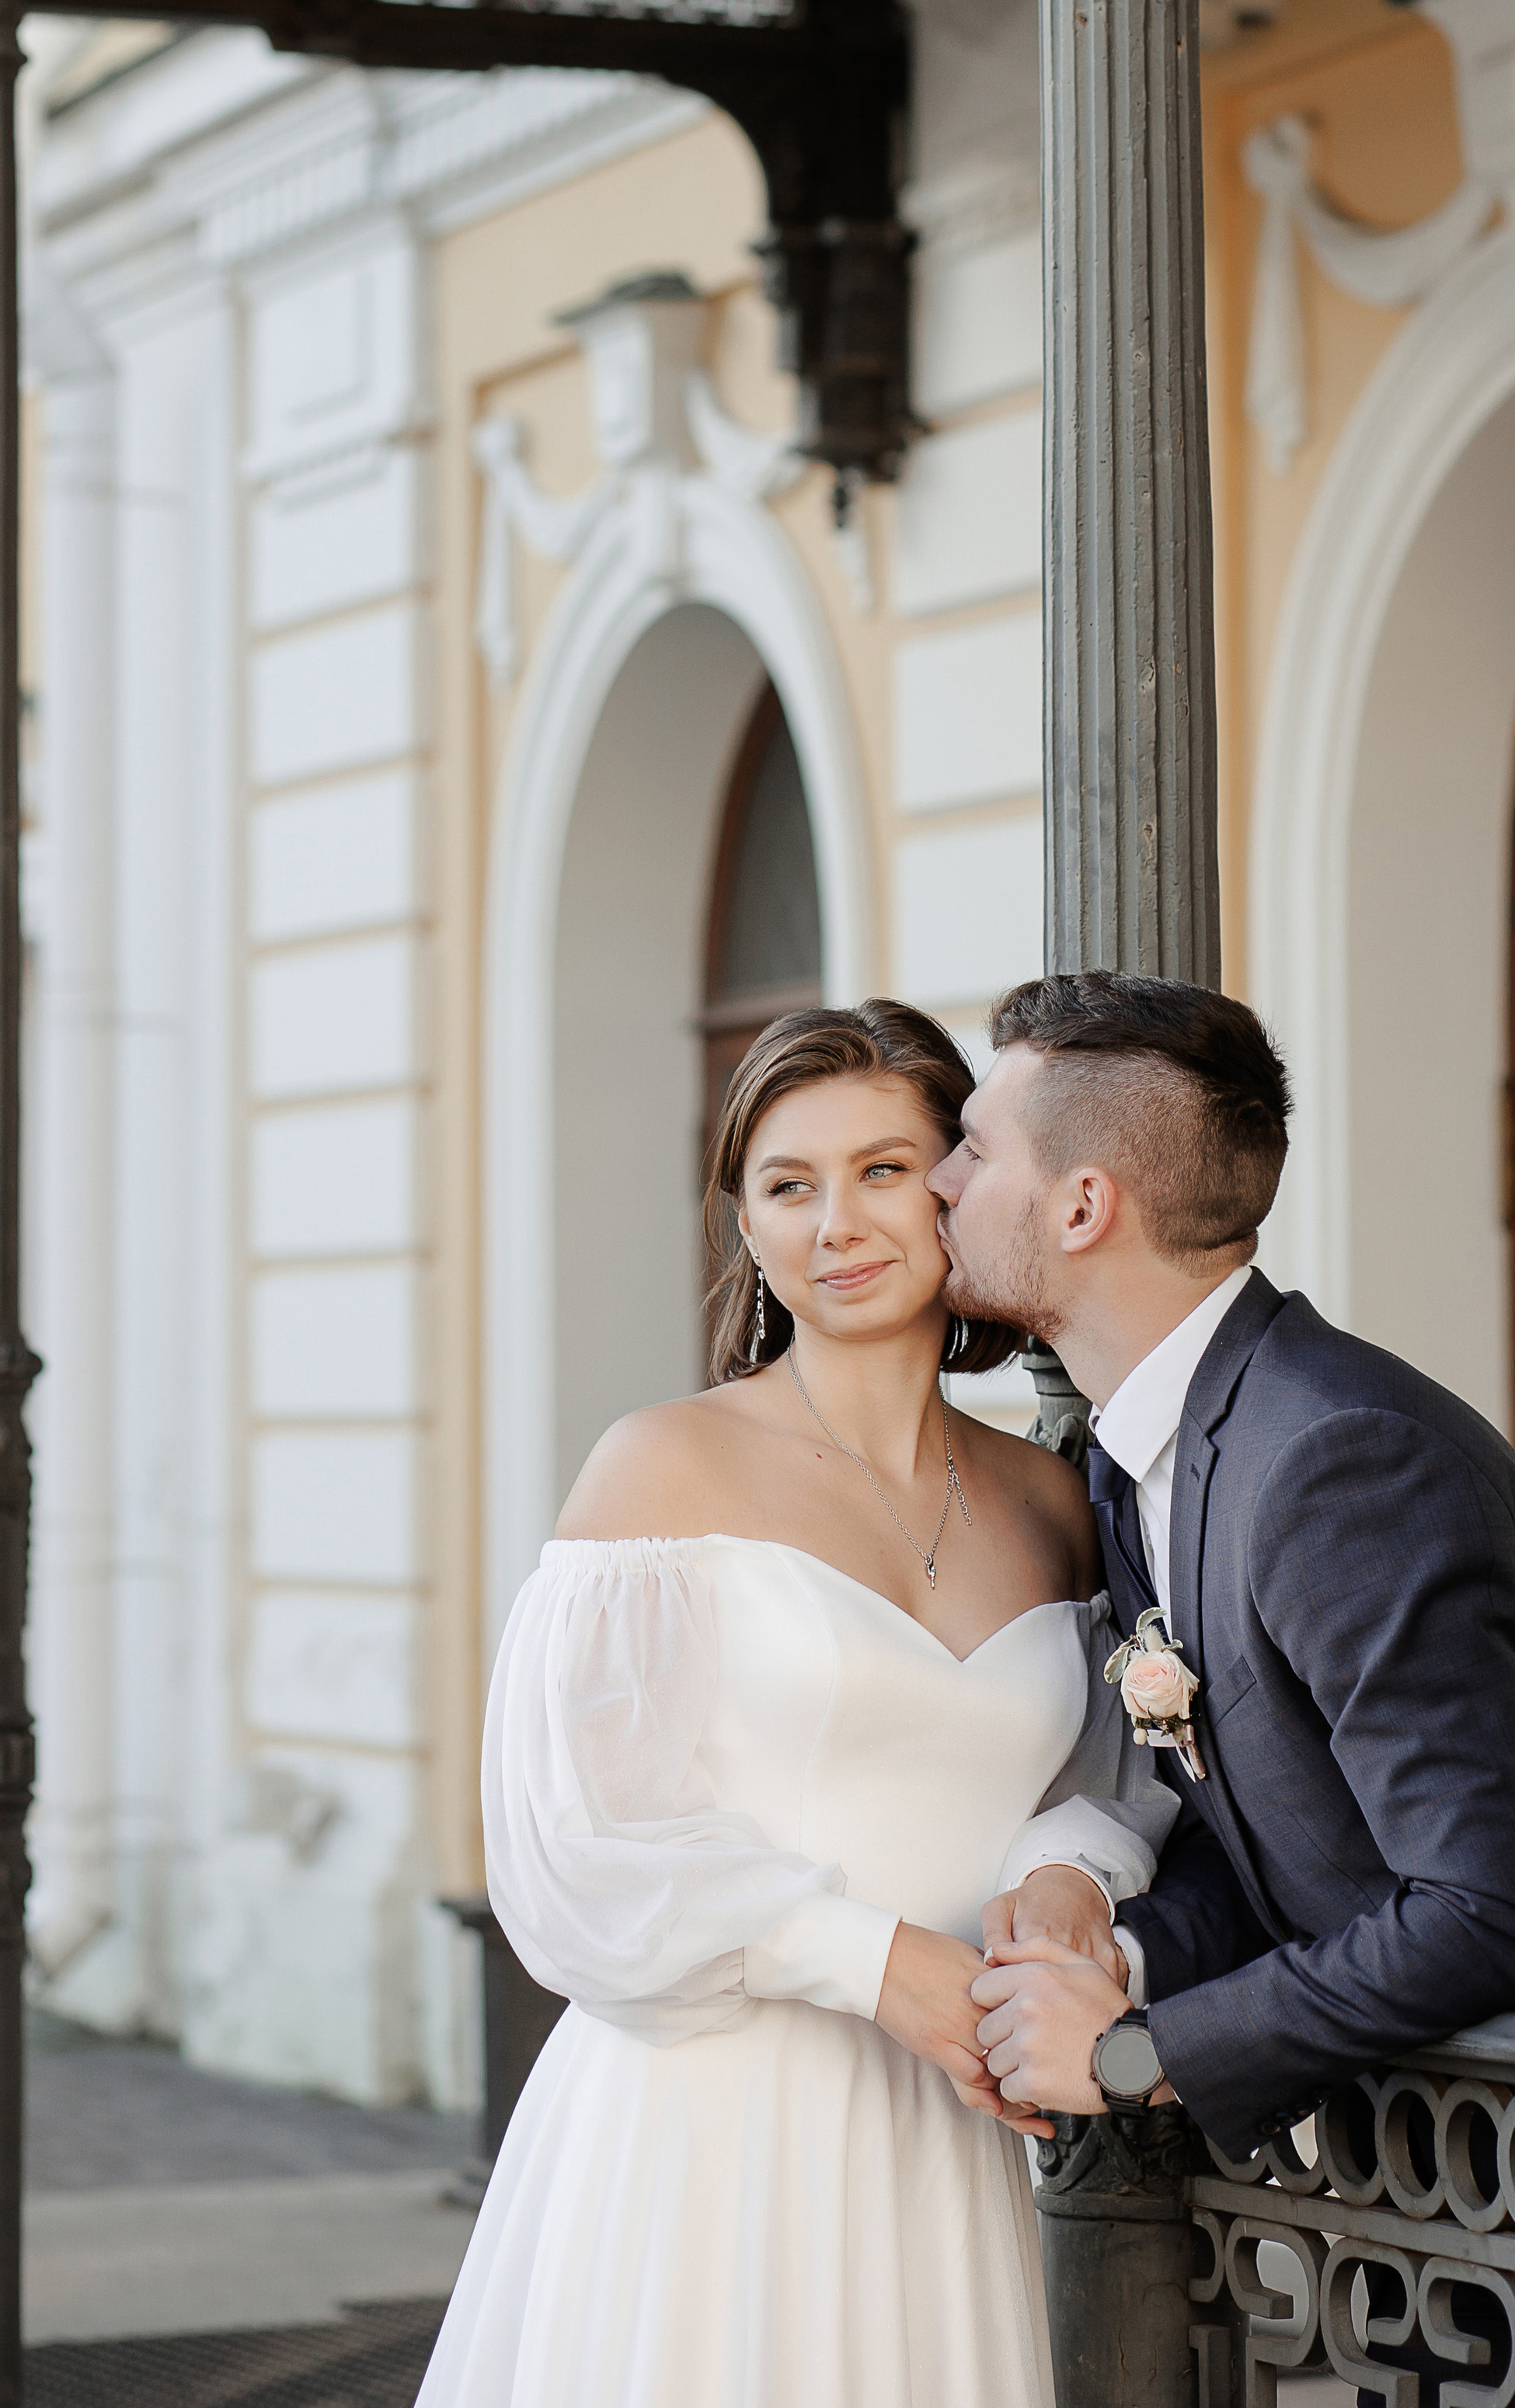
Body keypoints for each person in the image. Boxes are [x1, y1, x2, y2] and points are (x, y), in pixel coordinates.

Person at [416, 1000, 1178, 2408]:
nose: (840, 1221)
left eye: (885, 1169)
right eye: (789, 1184)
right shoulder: (660, 1470)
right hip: (701, 2118)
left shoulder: (1051, 1499)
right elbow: (570, 1852)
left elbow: (1099, 1771)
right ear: (747, 1227)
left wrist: (1068, 1875)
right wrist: (871, 1958)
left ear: (957, 1184)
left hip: (944, 2132)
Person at [927, 971, 1515, 2184]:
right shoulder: (1151, 1445)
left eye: (974, 1150)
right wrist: (1120, 1958)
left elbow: (1488, 1910)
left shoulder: (1336, 1461)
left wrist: (1140, 2054)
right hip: (1421, 2187)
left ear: (1084, 1206)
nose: (941, 1184)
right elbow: (1290, 1835)